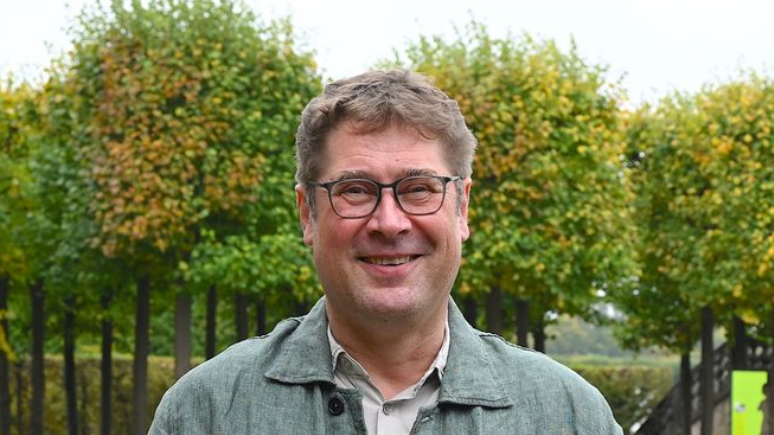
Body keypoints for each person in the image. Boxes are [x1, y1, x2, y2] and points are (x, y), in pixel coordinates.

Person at [148, 70, 623, 435]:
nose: (390, 222)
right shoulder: (205, 412)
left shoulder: (571, 416)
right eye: (355, 190)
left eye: (419, 189)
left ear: (462, 208)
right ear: (308, 214)